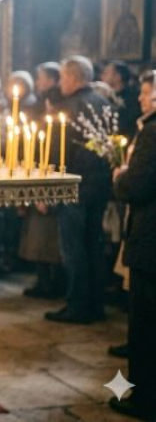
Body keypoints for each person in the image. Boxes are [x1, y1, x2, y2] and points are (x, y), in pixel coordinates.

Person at [45, 56, 111, 324]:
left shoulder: (66, 108)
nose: (60, 83)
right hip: (100, 186)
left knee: (73, 248)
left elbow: (57, 152)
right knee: (93, 245)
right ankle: (96, 304)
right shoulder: (104, 103)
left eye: (62, 77)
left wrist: (49, 188)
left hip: (73, 186)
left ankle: (78, 304)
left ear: (73, 78)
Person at [108, 69, 156, 421]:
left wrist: (120, 177)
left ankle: (144, 399)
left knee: (145, 325)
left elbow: (137, 185)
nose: (140, 98)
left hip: (150, 240)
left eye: (146, 92)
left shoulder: (152, 132)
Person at [101, 61, 141, 138]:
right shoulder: (105, 97)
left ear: (118, 77)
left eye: (106, 73)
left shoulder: (133, 98)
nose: (102, 76)